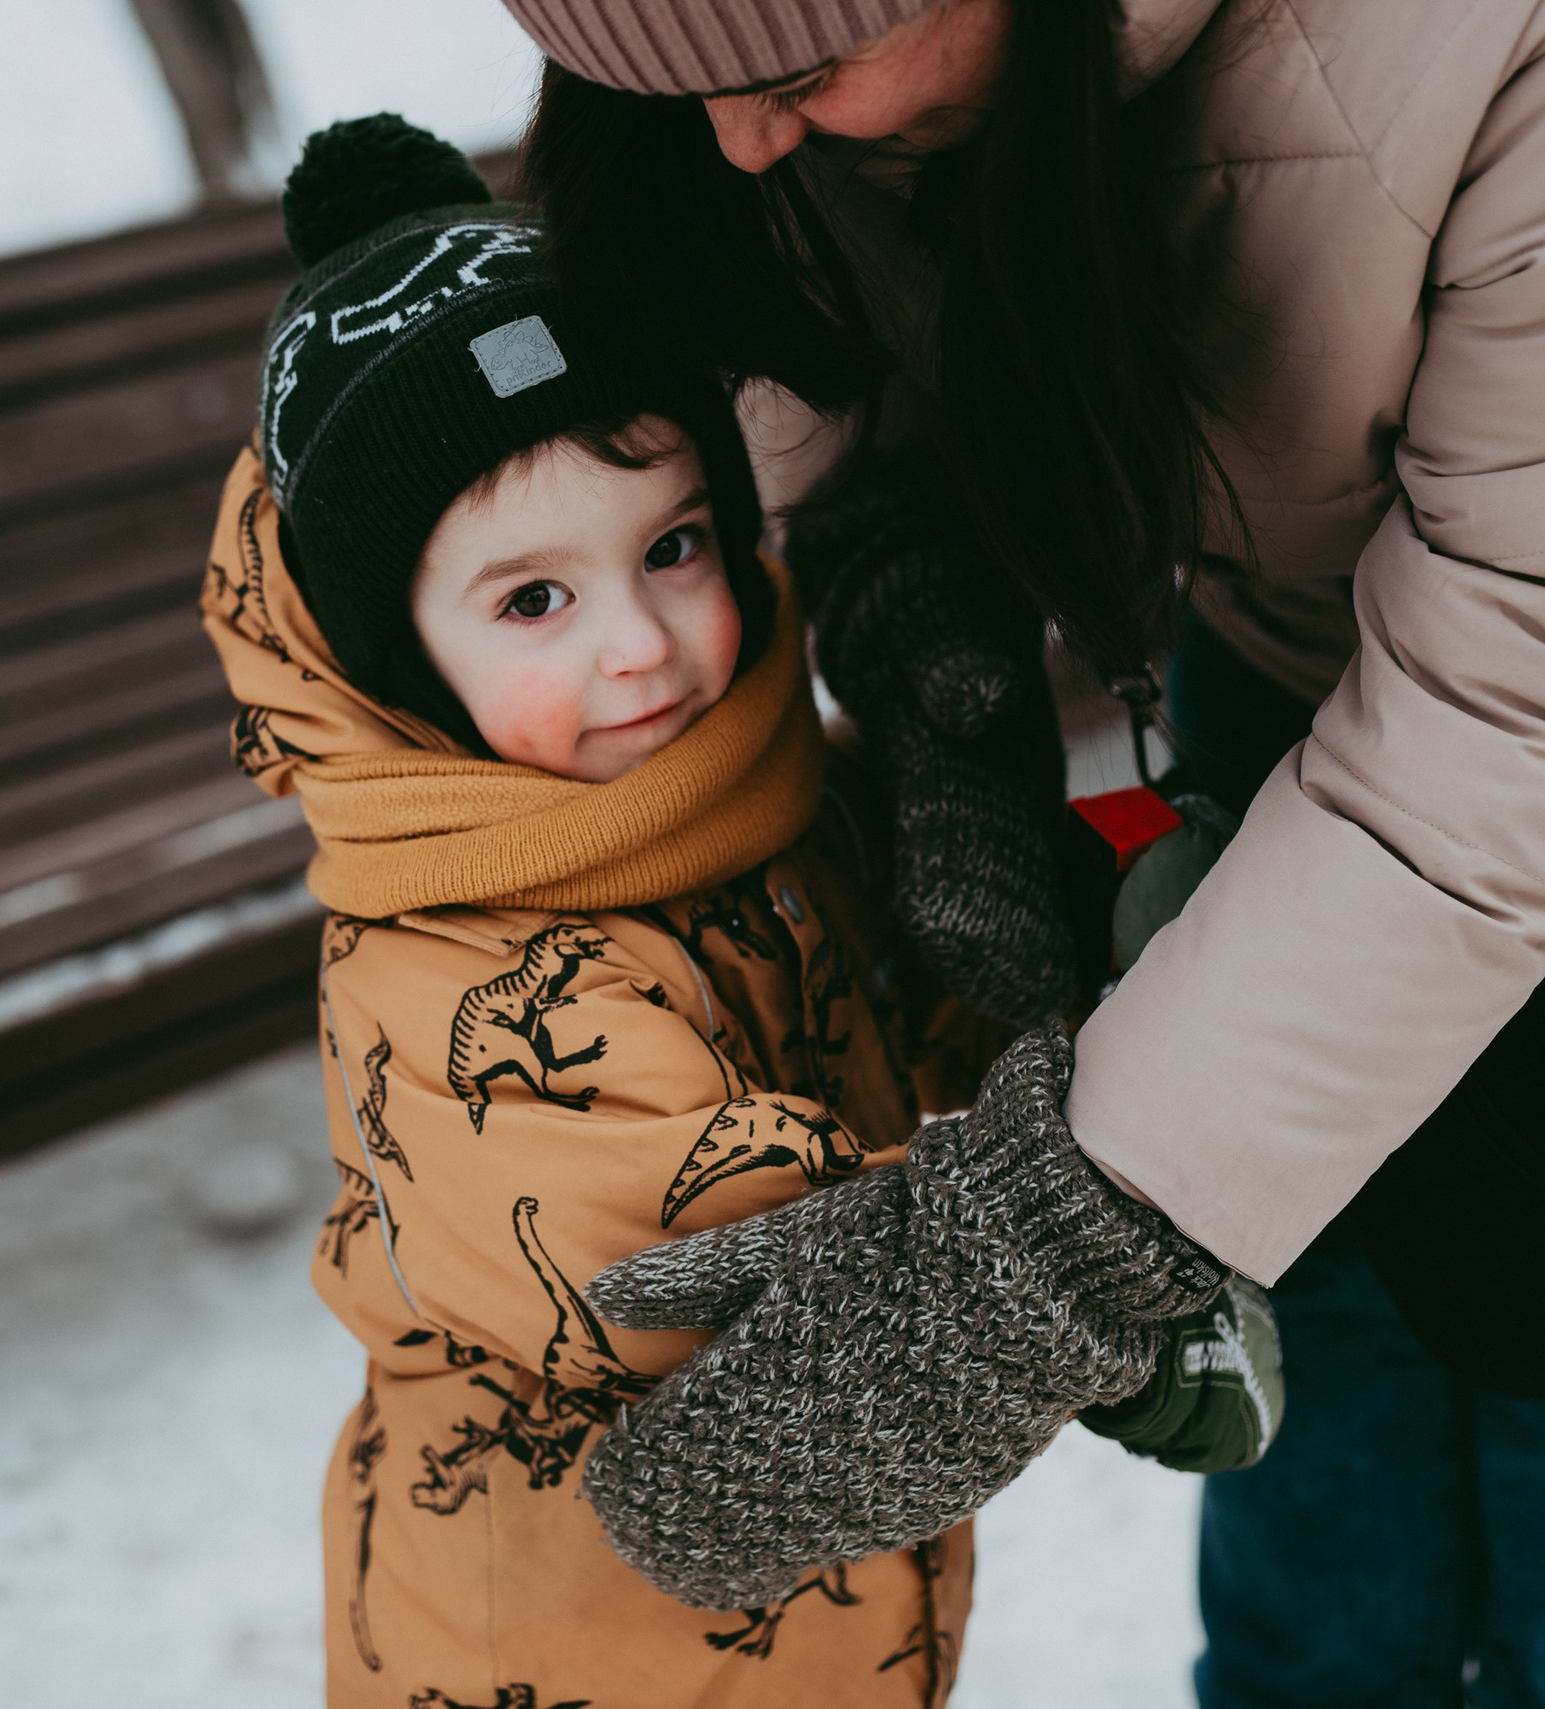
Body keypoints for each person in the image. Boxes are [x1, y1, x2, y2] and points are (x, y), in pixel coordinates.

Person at [493, 1, 1545, 1705]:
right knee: (1303, 1282)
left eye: (788, 80)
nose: (750, 141)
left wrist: (1055, 1240)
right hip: (1285, 655)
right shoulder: (805, 92)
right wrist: (934, 650)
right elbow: (830, 320)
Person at [204, 113, 1278, 1709]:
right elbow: (708, 1256)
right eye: (535, 600)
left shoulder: (755, 805)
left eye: (677, 545)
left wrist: (1028, 927)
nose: (640, 643)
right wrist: (1086, 1254)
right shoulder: (448, 985)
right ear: (395, 662)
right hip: (565, 1652)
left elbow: (898, 1015)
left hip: (815, 1616)